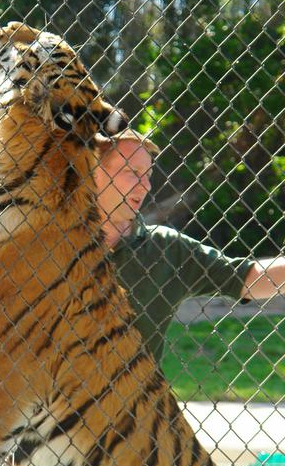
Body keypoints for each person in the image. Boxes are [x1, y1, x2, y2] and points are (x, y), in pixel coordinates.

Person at [94, 129, 285, 365]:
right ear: (94, 172)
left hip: (132, 388)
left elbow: (245, 277)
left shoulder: (166, 248)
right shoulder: (55, 241)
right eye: (133, 172)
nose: (146, 186)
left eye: (148, 175)